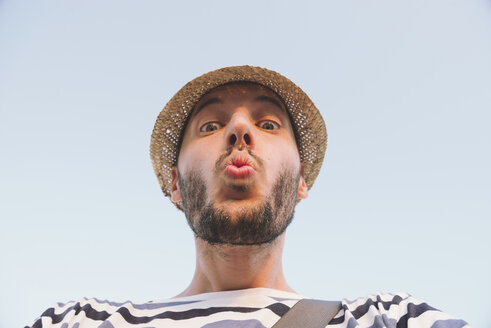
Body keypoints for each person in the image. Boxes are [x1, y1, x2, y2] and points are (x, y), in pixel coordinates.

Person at [26, 66, 469, 328]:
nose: (241, 130)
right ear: (175, 185)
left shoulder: (386, 319)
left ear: (300, 182)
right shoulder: (83, 321)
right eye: (210, 125)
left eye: (269, 124)